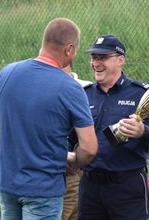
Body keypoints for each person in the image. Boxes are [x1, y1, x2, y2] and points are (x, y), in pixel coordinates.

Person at [0, 18, 98, 220]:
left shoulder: (7, 73)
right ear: (68, 49)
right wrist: (75, 165)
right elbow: (89, 148)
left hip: (8, 184)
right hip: (44, 189)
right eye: (75, 50)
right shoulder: (71, 88)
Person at [76, 35, 149, 220]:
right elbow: (70, 137)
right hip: (90, 188)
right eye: (93, 57)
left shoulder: (141, 94)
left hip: (127, 188)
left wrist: (143, 132)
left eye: (102, 57)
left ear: (120, 60)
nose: (96, 63)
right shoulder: (83, 95)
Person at [61, 63, 92, 220]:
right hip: (42, 169)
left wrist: (72, 157)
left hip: (71, 169)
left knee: (69, 213)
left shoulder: (87, 89)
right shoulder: (40, 86)